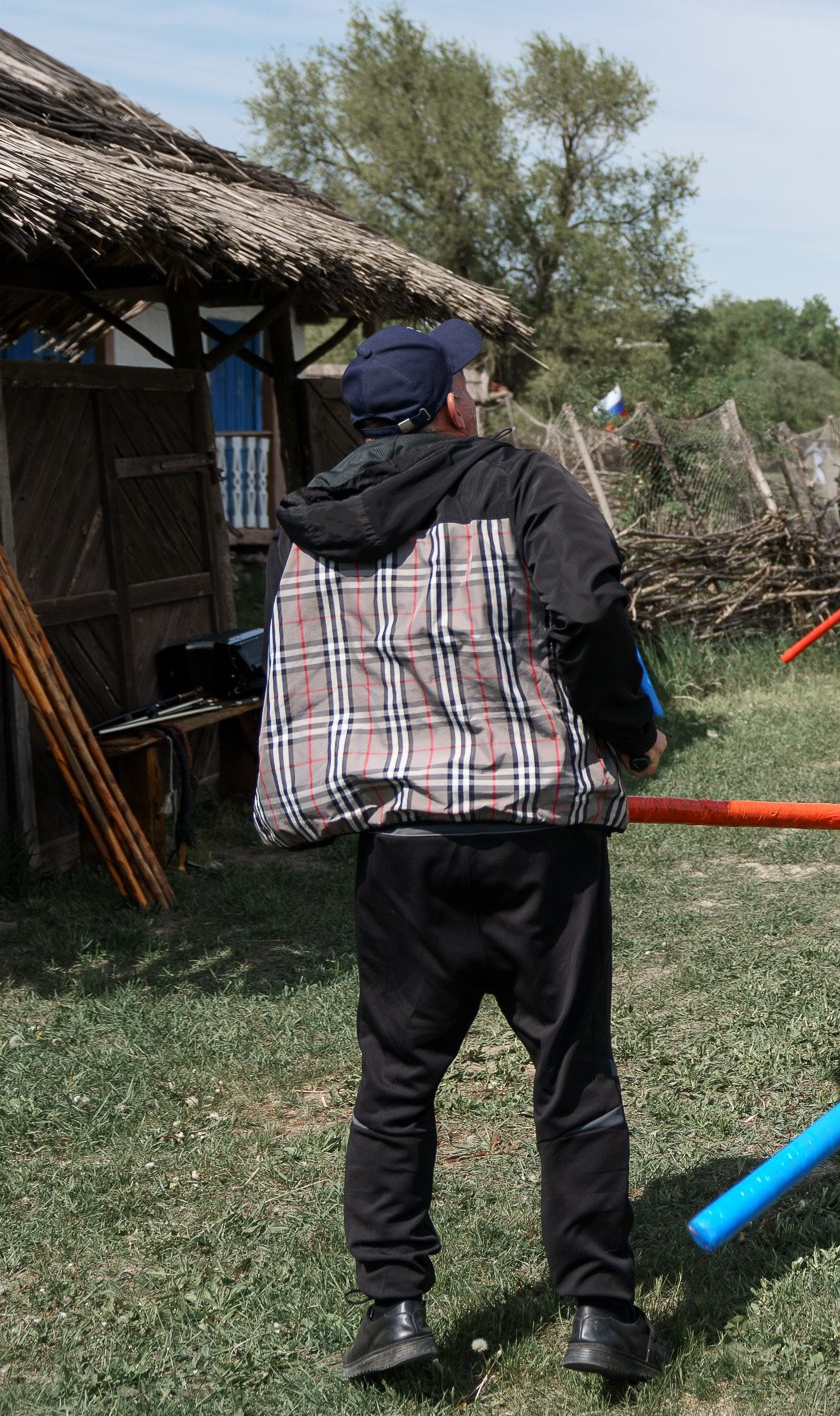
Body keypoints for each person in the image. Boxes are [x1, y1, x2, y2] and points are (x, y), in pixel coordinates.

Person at [255, 322, 672, 1386]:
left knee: (395, 1080)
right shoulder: (526, 483)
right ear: (448, 402)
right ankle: (600, 1315)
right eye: (468, 382)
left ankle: (394, 1308)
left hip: (404, 847)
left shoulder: (308, 521)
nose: (476, 395)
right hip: (537, 836)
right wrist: (628, 731)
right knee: (573, 1072)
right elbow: (587, 609)